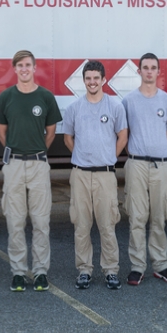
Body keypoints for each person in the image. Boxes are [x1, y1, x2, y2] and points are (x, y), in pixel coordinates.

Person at [0, 50, 62, 292]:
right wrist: (18, 153)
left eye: (28, 65)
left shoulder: (46, 97)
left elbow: (50, 133)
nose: (24, 69)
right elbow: (2, 132)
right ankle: (19, 272)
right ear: (15, 69)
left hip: (39, 165)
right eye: (20, 65)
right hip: (14, 166)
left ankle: (41, 272)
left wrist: (36, 152)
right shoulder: (6, 97)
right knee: (15, 220)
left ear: (34, 68)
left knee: (41, 221)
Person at [62, 61, 128, 290]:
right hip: (80, 174)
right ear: (84, 81)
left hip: (105, 175)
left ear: (103, 80)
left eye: (96, 78)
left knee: (107, 224)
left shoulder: (115, 107)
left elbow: (122, 136)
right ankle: (84, 270)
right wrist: (82, 156)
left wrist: (109, 156)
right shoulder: (74, 109)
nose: (92, 82)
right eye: (88, 78)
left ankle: (111, 270)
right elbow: (68, 138)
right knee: (81, 225)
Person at [122, 52, 167, 286]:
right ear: (139, 71)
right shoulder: (128, 101)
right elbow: (123, 134)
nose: (149, 71)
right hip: (136, 164)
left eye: (153, 67)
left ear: (158, 71)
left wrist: (156, 149)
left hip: (161, 166)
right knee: (137, 216)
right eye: (145, 67)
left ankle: (161, 265)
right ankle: (137, 266)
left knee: (159, 216)